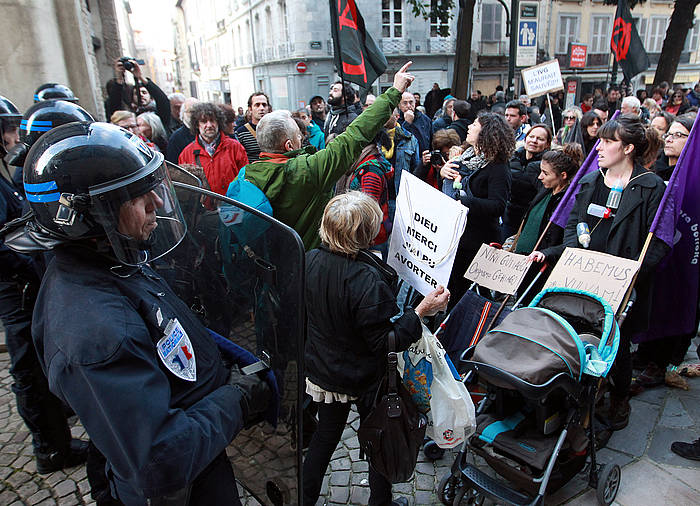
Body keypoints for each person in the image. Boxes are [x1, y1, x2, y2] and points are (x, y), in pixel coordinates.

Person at [15, 122, 271, 504]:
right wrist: (236, 399)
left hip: (201, 457)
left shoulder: (112, 257)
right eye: (136, 195)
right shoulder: (97, 333)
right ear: (91, 214)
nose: (157, 202)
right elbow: (161, 458)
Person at [302, 191, 450, 506]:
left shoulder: (310, 259)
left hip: (324, 370)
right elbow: (387, 343)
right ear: (364, 234)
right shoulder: (365, 280)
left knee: (324, 440)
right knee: (379, 438)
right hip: (364, 378)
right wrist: (421, 311)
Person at [0, 95, 91, 476]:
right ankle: (50, 447)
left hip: (24, 282)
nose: (9, 137)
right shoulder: (25, 173)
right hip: (17, 288)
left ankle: (57, 425)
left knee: (40, 360)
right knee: (30, 368)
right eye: (5, 129)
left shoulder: (14, 173)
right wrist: (30, 268)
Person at [238, 62, 415, 250]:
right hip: (305, 264)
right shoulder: (309, 170)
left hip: (270, 266)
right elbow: (357, 133)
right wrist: (394, 91)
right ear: (289, 145)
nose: (303, 139)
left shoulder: (245, 175)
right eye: (299, 136)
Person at [561, 115, 667, 430]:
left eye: (608, 142)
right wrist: (573, 256)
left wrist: (628, 273)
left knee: (617, 345)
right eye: (601, 140)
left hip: (623, 285)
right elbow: (572, 223)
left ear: (629, 148)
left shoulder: (651, 187)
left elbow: (659, 241)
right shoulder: (590, 181)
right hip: (584, 277)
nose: (599, 148)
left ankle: (620, 397)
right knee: (579, 332)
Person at [634, 114, 697, 391]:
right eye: (668, 134)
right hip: (659, 254)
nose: (669, 139)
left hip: (685, 256)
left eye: (678, 135)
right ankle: (647, 354)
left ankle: (662, 362)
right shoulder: (659, 173)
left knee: (675, 299)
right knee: (653, 298)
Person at [440, 113, 515, 303]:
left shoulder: (498, 166)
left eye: (474, 124)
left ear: (486, 133)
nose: (469, 127)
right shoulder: (467, 157)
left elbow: (498, 206)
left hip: (477, 243)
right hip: (458, 237)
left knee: (467, 295)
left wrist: (465, 203)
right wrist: (444, 171)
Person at [178, 102, 248, 199]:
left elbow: (245, 180)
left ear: (219, 122)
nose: (209, 125)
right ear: (197, 125)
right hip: (202, 211)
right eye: (204, 121)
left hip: (233, 207)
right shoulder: (186, 153)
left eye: (212, 121)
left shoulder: (235, 147)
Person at [503, 124, 553, 239]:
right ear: (525, 138)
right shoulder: (512, 158)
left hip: (530, 222)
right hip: (508, 218)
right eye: (531, 137)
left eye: (540, 139)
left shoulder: (548, 166)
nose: (534, 141)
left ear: (547, 144)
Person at [235, 92, 270, 162]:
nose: (261, 108)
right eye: (257, 105)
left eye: (264, 105)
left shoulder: (275, 129)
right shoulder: (241, 133)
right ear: (250, 109)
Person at [166, 97, 199, 163]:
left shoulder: (207, 133)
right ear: (183, 113)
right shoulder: (176, 138)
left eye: (198, 111)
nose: (195, 115)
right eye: (191, 111)